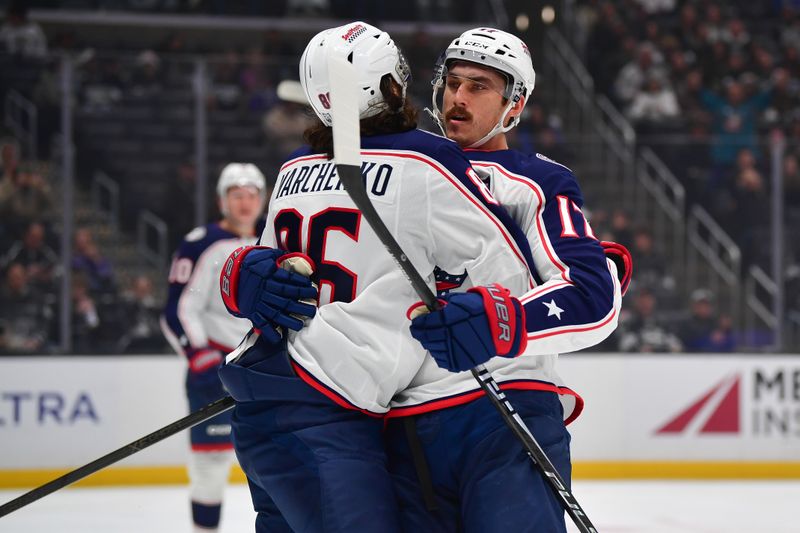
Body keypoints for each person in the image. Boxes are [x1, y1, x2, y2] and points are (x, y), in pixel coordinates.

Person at [216, 21, 534, 533]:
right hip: (328, 406)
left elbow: (262, 277)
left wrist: (236, 274)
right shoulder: (427, 161)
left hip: (263, 396)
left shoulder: (292, 169)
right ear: (388, 84)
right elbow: (510, 271)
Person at [384, 28, 630, 532]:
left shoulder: (536, 180)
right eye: (453, 82)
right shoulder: (402, 168)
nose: (458, 97)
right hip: (403, 420)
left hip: (505, 410)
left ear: (514, 104)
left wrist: (505, 322)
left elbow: (591, 299)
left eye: (479, 86)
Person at [160, 162, 268, 533]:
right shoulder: (200, 243)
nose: (244, 203)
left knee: (277, 462)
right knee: (210, 465)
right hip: (216, 373)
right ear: (223, 201)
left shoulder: (271, 241)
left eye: (251, 195)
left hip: (264, 370)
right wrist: (198, 353)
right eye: (236, 195)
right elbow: (178, 309)